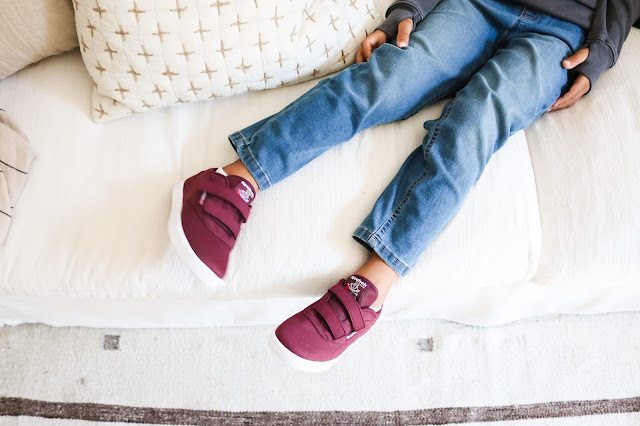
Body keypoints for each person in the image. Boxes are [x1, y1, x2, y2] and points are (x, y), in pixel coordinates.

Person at [168, 0, 640, 372]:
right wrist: (410, 7)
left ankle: (370, 288)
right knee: (392, 77)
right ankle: (233, 179)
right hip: (475, 4)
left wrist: (604, 50)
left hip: (560, 35)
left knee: (473, 125)